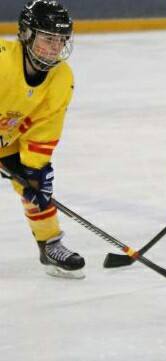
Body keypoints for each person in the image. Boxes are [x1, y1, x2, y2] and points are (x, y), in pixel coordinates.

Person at [0, 0, 84, 279]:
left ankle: (49, 244)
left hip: (8, 137)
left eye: (61, 40)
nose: (55, 47)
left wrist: (35, 169)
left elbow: (45, 127)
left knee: (35, 186)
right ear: (26, 34)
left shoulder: (61, 77)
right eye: (48, 38)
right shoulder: (2, 60)